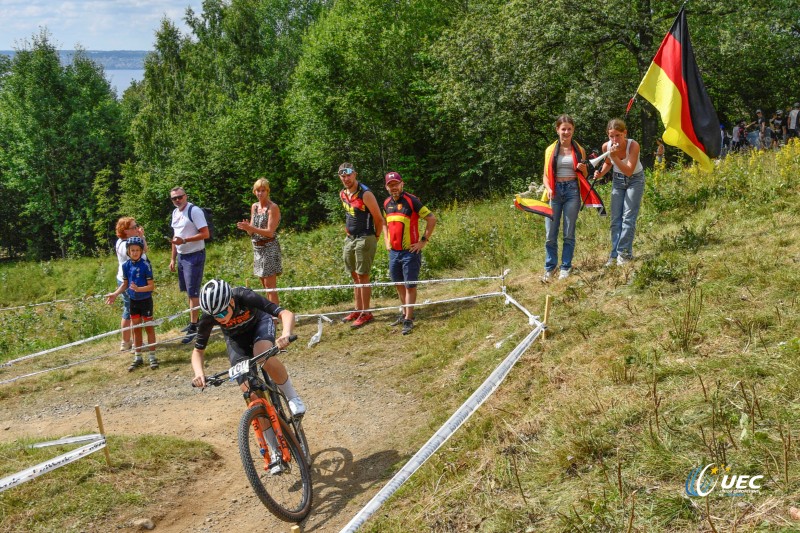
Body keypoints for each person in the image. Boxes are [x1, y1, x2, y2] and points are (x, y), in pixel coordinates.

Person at [190, 279, 305, 474]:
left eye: (221, 313)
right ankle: (274, 449)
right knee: (251, 395)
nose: (219, 319)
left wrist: (285, 334)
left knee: (263, 355)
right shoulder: (210, 316)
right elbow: (197, 351)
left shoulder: (243, 296)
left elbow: (285, 313)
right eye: (214, 316)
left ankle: (293, 397)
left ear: (231, 302)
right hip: (237, 341)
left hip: (260, 325)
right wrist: (199, 374)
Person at [381, 171, 437, 335]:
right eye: (390, 185)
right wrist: (386, 240)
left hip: (410, 252)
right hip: (394, 253)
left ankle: (409, 319)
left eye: (396, 184)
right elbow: (384, 223)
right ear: (386, 187)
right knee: (398, 285)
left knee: (409, 285)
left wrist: (423, 241)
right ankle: (404, 313)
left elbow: (431, 219)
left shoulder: (412, 200)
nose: (394, 188)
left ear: (402, 184)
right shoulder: (386, 203)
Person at [541, 114, 590, 281]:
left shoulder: (579, 149)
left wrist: (583, 168)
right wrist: (548, 188)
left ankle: (566, 267)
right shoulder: (550, 150)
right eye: (563, 129)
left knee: (569, 232)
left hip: (572, 192)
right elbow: (545, 175)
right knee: (550, 233)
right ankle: (550, 267)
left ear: (573, 130)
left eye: (569, 129)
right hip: (554, 192)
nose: (566, 132)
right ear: (557, 130)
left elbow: (585, 174)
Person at [594, 118, 645, 267]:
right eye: (611, 136)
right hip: (617, 181)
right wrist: (601, 174)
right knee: (615, 220)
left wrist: (614, 156)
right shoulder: (606, 147)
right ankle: (614, 255)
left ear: (625, 133)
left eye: (618, 135)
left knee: (628, 217)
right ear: (608, 135)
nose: (615, 139)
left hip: (635, 180)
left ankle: (624, 254)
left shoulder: (633, 145)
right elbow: (608, 163)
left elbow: (629, 171)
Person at [338, 162, 383, 328]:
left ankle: (366, 312)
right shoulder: (343, 193)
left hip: (365, 236)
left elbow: (379, 218)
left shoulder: (365, 193)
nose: (346, 178)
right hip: (350, 238)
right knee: (354, 274)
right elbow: (348, 214)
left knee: (363, 275)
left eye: (348, 175)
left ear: (355, 174)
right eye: (343, 176)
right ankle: (358, 309)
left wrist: (375, 237)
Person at [106, 236, 158, 371]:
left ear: (141, 251)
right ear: (128, 252)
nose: (134, 252)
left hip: (145, 300)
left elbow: (151, 286)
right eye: (132, 250)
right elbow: (125, 284)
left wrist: (139, 289)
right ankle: (138, 356)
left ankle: (152, 356)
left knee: (149, 327)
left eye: (137, 250)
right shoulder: (126, 266)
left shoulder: (146, 265)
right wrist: (115, 294)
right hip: (133, 301)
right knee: (136, 328)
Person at [169, 186, 210, 344]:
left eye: (180, 197)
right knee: (189, 291)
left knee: (193, 292)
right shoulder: (175, 212)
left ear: (185, 196)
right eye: (174, 198)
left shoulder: (194, 211)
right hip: (182, 256)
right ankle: (195, 321)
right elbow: (175, 237)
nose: (178, 200)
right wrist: (173, 258)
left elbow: (205, 234)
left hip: (195, 255)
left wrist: (185, 240)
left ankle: (195, 326)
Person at [237, 178, 283, 304]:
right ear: (254, 191)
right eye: (258, 190)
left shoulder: (273, 207)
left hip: (269, 248)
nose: (260, 193)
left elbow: (269, 232)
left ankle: (274, 317)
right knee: (264, 285)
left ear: (268, 191)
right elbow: (251, 232)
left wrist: (251, 228)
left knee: (270, 287)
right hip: (257, 249)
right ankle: (271, 314)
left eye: (263, 190)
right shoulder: (254, 207)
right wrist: (247, 228)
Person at [112, 217, 148, 351]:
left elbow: (145, 249)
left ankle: (126, 342)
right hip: (129, 281)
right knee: (133, 312)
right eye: (133, 227)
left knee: (129, 311)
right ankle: (133, 343)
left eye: (136, 226)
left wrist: (141, 236)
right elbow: (139, 254)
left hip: (130, 279)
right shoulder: (125, 245)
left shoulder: (129, 242)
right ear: (125, 231)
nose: (136, 228)